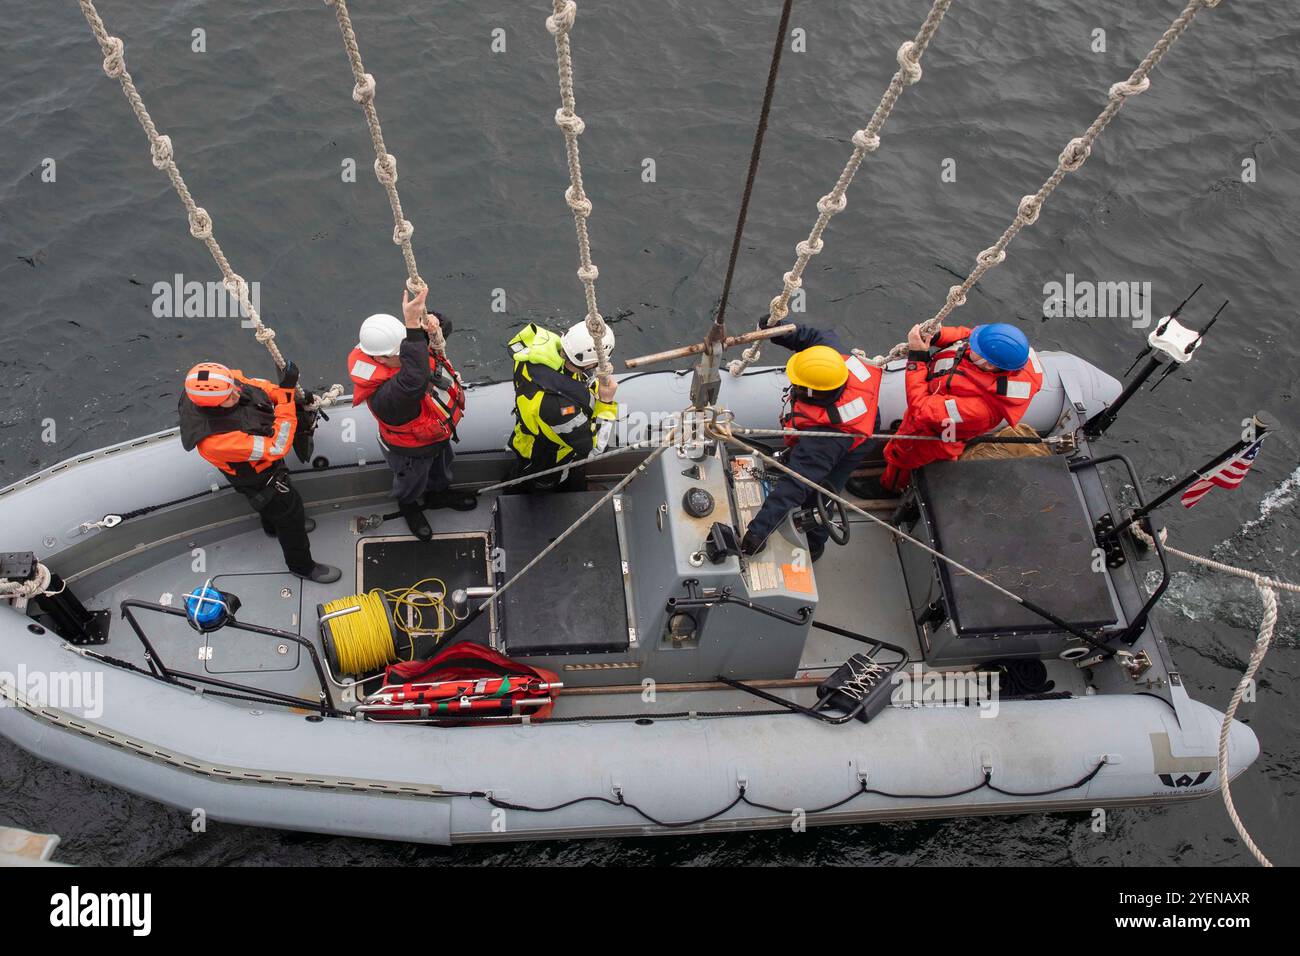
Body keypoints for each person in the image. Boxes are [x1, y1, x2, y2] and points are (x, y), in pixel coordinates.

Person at [178, 361, 341, 583]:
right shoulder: (217, 440)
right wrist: (285, 398)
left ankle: (273, 528)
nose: (237, 392)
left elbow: (255, 387)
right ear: (212, 407)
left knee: (268, 507)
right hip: (259, 477)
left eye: (233, 387)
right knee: (289, 514)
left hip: (257, 469)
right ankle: (302, 566)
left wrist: (283, 390)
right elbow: (276, 445)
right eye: (229, 397)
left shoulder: (221, 385)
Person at [739, 324, 882, 563]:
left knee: (820, 495)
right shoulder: (831, 360)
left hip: (849, 444)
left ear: (811, 392)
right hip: (862, 418)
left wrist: (757, 532)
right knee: (808, 474)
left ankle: (814, 545)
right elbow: (818, 334)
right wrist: (780, 330)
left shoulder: (825, 439)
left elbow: (795, 484)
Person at [347, 285, 474, 540]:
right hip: (410, 450)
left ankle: (439, 494)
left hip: (435, 434)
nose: (405, 353)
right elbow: (414, 380)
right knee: (411, 482)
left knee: (442, 466)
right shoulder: (385, 396)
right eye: (399, 352)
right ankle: (408, 506)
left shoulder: (405, 349)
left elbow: (437, 332)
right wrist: (412, 329)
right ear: (381, 359)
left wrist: (430, 320)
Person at [872, 321, 1043, 494]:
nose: (970, 344)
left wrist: (917, 359)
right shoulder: (1000, 354)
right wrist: (937, 335)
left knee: (903, 456)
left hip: (939, 431)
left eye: (975, 347)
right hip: (945, 418)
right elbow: (967, 335)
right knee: (932, 454)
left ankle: (890, 487)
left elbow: (922, 410)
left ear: (988, 365)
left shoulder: (979, 408)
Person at [506, 320, 619, 492]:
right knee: (547, 482)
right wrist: (606, 401)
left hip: (527, 433)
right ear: (590, 364)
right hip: (548, 455)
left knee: (527, 470)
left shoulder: (533, 354)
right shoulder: (561, 409)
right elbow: (594, 449)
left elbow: (570, 378)